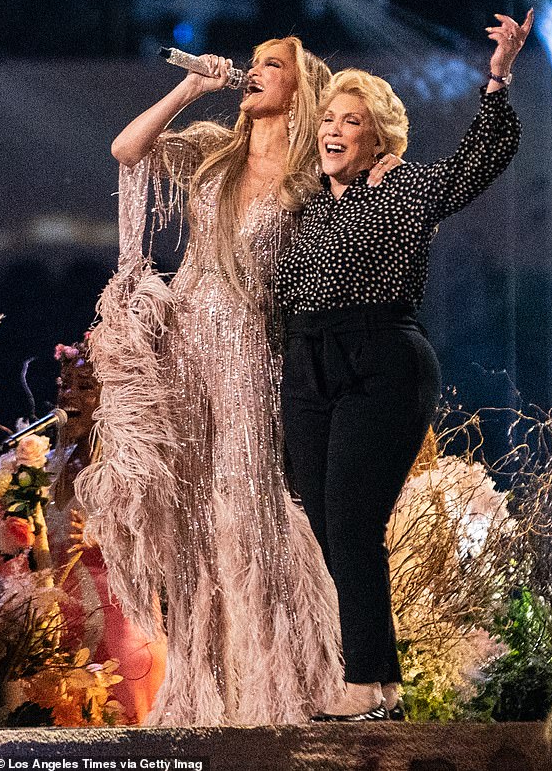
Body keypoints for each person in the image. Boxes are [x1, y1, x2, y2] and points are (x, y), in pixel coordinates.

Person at [76, 37, 397, 725]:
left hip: (254, 350)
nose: (253, 71)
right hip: (187, 347)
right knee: (194, 515)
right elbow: (127, 151)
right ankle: (206, 686)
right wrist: (191, 91)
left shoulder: (314, 170)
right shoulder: (212, 149)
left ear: (300, 87)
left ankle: (269, 682)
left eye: (271, 64)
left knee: (244, 507)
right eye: (253, 61)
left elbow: (362, 214)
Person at [276, 11, 534, 721]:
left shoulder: (403, 188)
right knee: (328, 525)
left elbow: (476, 162)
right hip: (308, 364)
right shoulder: (299, 206)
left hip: (381, 358)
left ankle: (362, 682)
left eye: (351, 121)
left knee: (355, 520)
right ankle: (380, 677)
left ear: (377, 138)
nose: (333, 129)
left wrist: (498, 77)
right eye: (328, 118)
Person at [48, 335, 167, 724]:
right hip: (59, 643)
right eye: (64, 386)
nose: (70, 397)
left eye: (85, 387)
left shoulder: (129, 467)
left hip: (122, 644)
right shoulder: (47, 466)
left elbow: (163, 540)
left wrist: (110, 533)